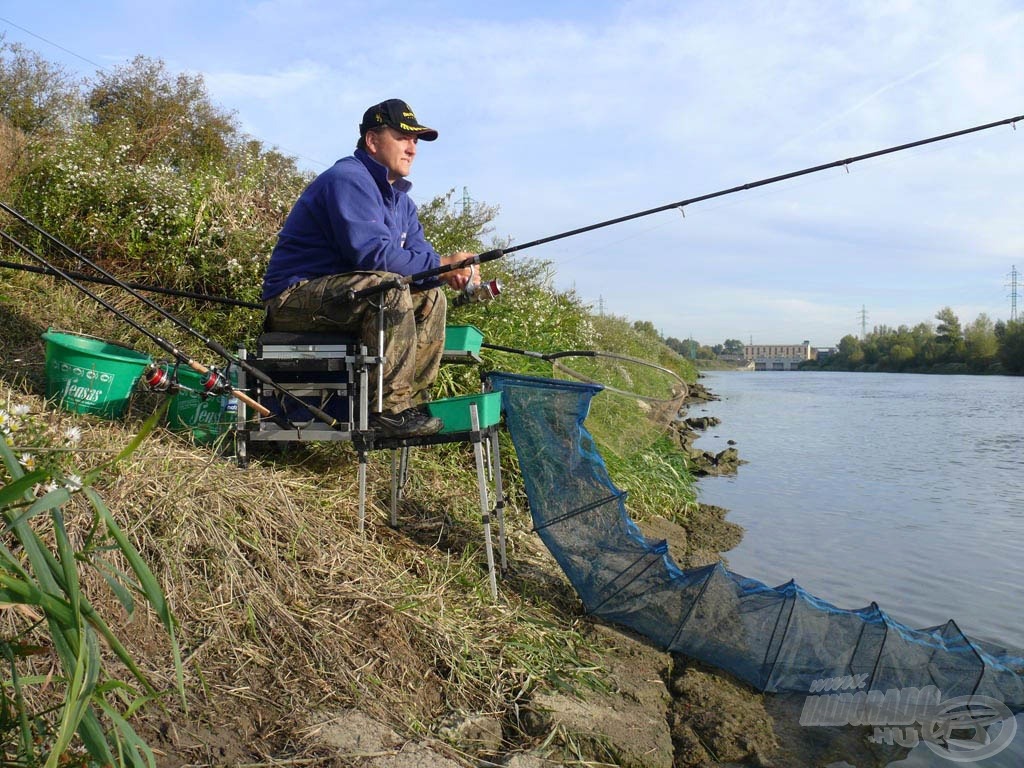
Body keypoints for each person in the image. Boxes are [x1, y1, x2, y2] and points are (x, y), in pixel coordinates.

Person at [261, 99, 477, 438]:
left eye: (416, 140)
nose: (412, 148)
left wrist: (449, 271)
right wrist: (442, 265)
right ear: (373, 142)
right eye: (403, 137)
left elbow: (421, 263)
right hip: (293, 298)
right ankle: (388, 411)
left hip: (344, 298)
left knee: (431, 295)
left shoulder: (402, 202)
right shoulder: (348, 178)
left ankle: (411, 405)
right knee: (389, 288)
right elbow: (374, 256)